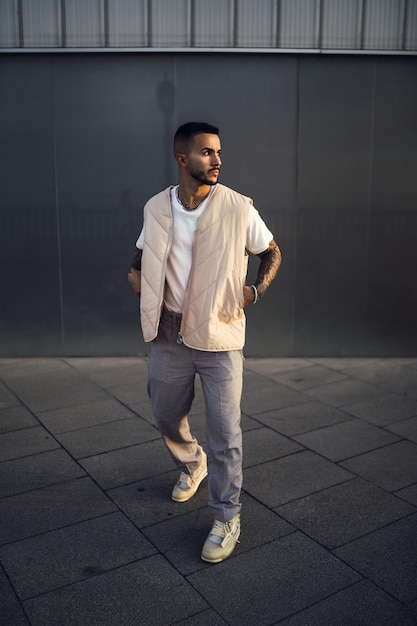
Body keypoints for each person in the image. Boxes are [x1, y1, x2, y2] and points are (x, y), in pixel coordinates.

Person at [128, 121, 281, 563]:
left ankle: (226, 515)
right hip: (168, 332)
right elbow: (139, 255)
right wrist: (134, 276)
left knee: (225, 432)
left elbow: (272, 251)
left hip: (220, 334)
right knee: (165, 413)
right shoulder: (156, 207)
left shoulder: (237, 207)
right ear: (182, 159)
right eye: (206, 153)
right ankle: (192, 464)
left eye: (217, 152)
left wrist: (255, 291)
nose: (216, 160)